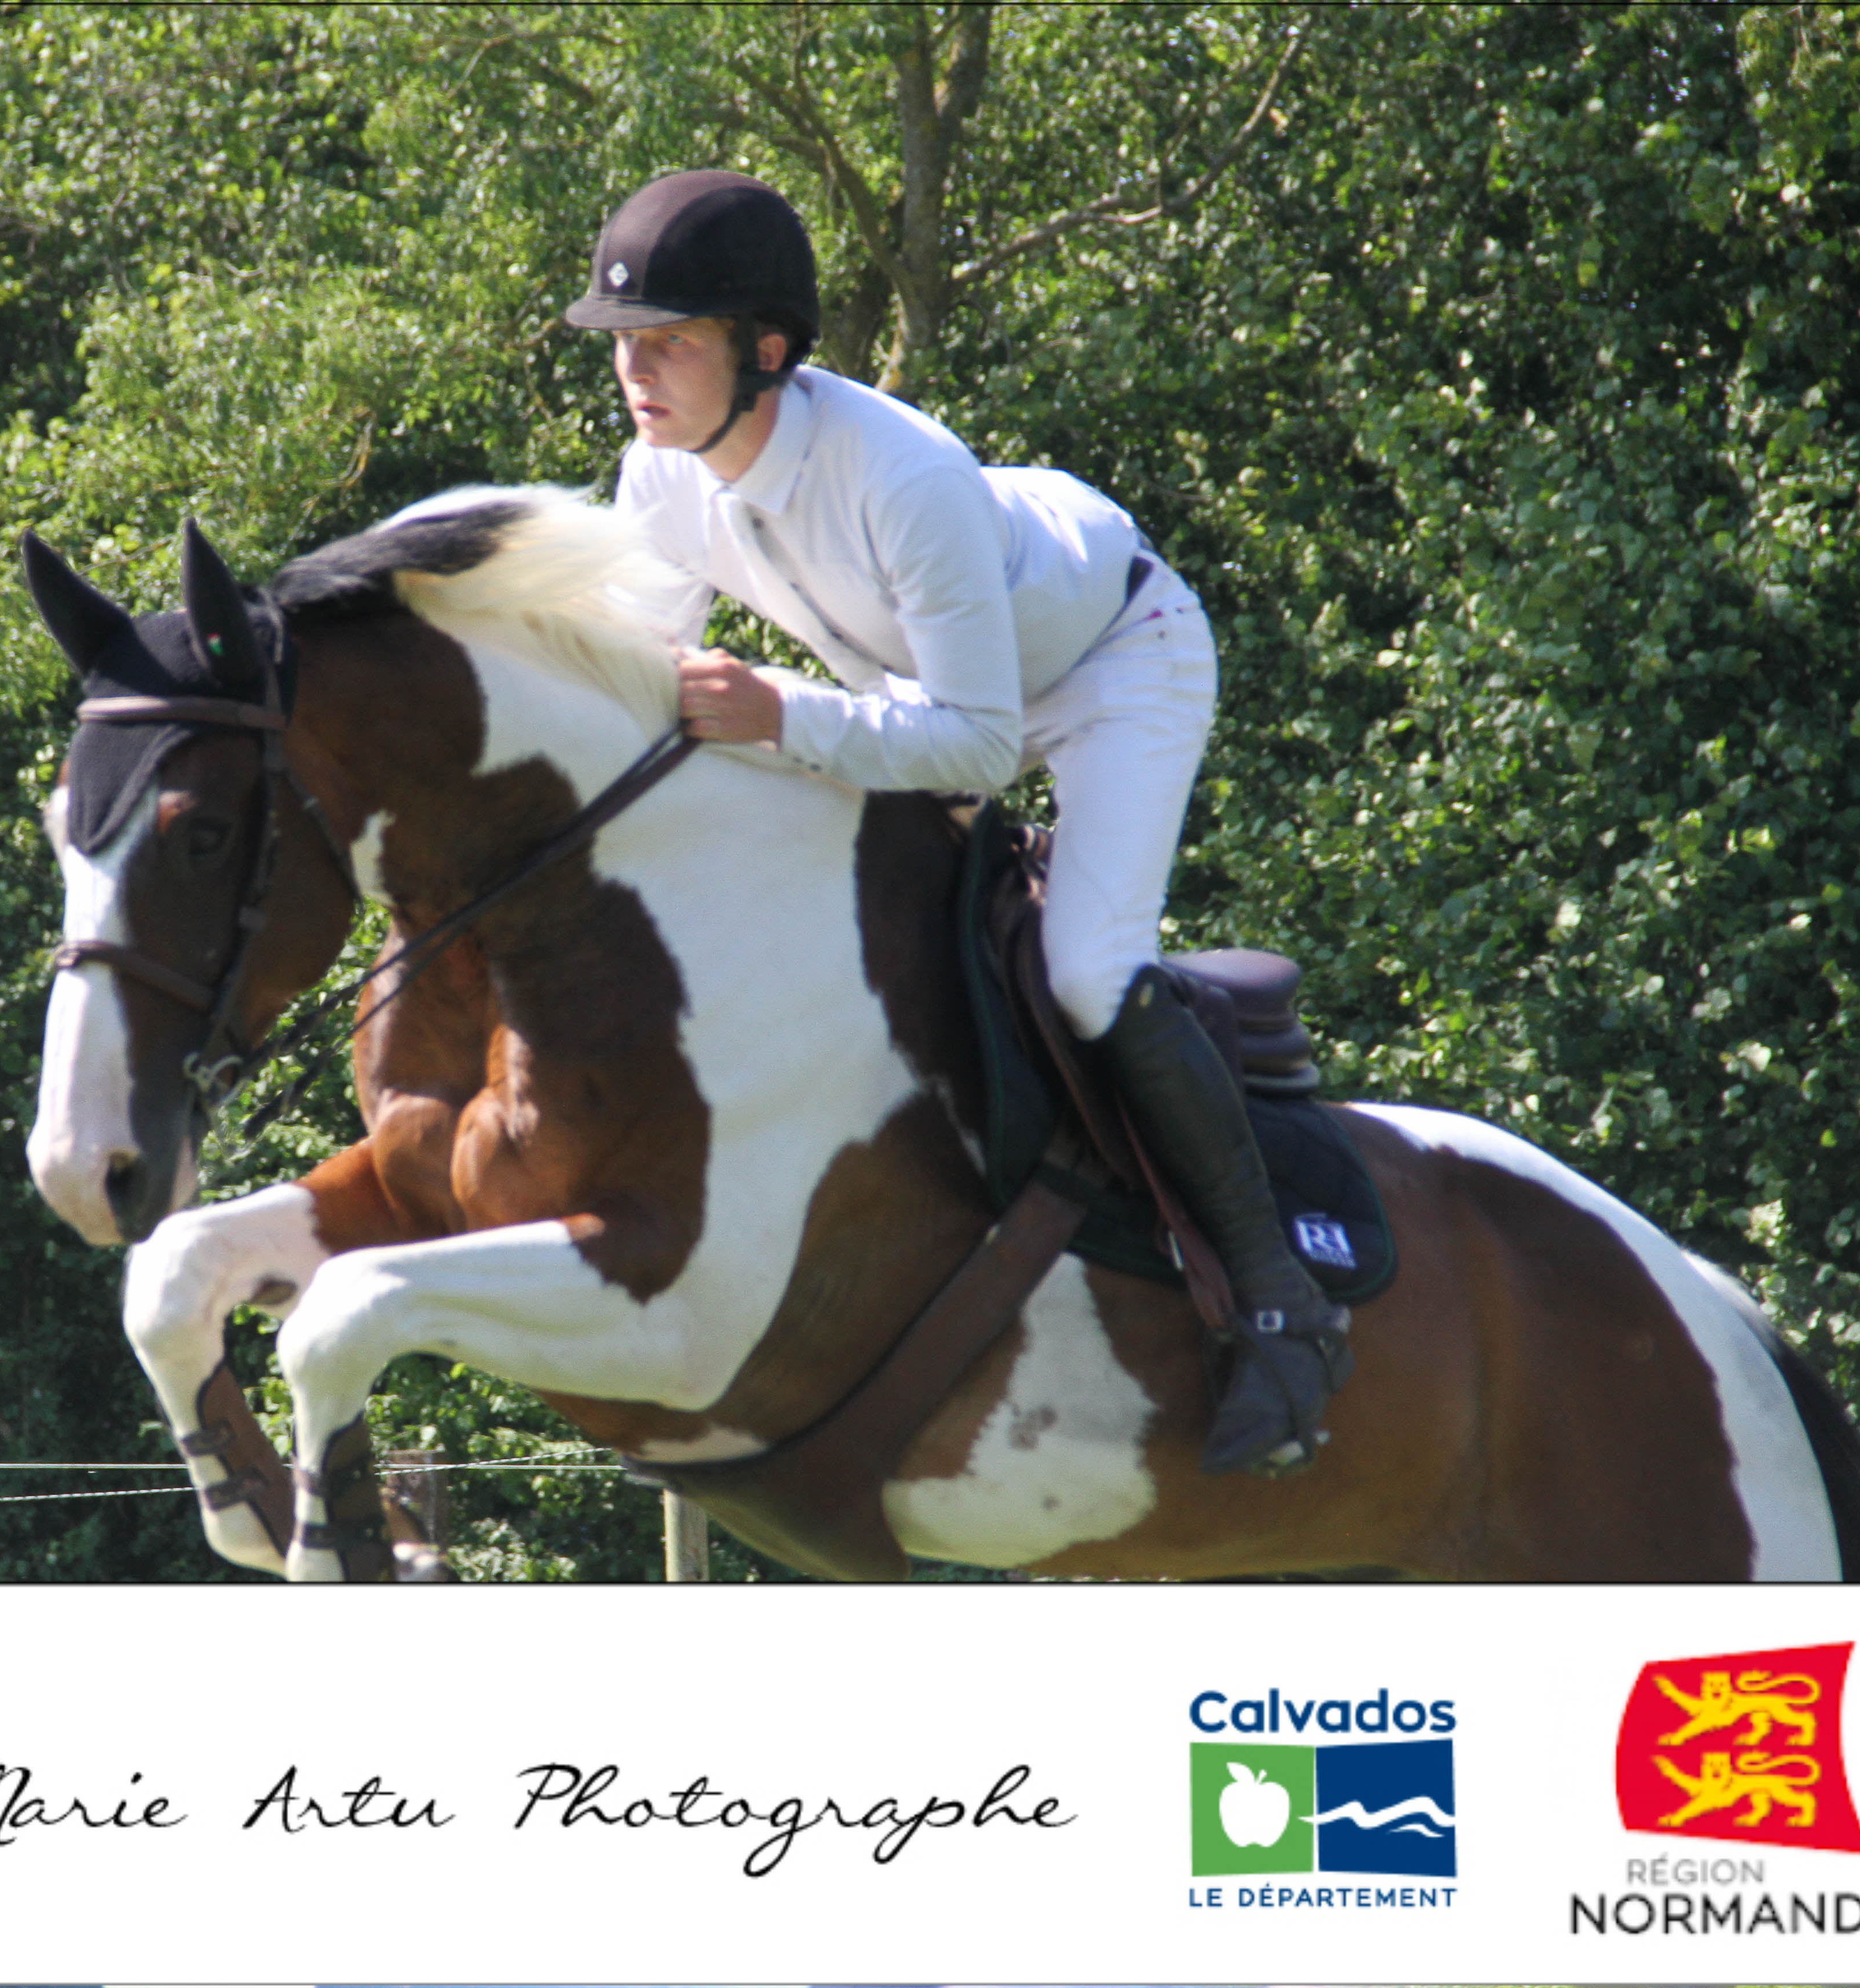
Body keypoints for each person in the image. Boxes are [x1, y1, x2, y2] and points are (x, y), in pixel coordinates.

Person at [565, 169, 1347, 1476]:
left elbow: (979, 744)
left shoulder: (901, 474)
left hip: (1116, 663)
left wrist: (781, 714)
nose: (635, 371)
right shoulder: (659, 479)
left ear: (766, 352)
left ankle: (1281, 1298)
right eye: (623, 343)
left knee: (1087, 971)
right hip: (931, 688)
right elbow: (650, 703)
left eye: (671, 342)